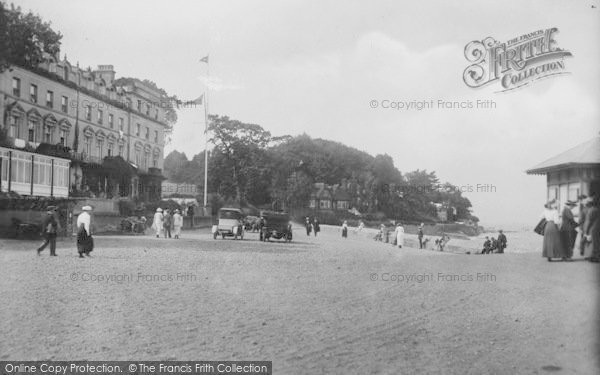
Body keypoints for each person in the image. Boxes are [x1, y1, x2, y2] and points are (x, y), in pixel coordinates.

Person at [582, 194, 599, 262]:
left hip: (593, 228)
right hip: (596, 227)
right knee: (594, 243)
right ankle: (593, 256)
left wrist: (586, 231)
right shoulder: (596, 209)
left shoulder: (592, 210)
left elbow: (589, 222)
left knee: (595, 243)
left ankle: (595, 257)